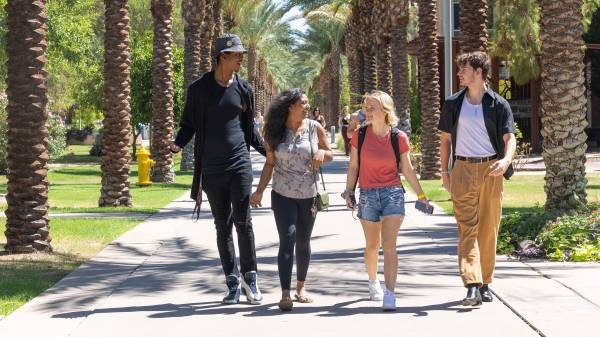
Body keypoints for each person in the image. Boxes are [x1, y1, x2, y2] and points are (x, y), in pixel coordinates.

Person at [163, 34, 266, 305]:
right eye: (237, 54)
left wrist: (272, 153)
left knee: (244, 223)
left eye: (242, 53)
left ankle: (251, 280)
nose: (241, 57)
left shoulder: (244, 88)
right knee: (223, 226)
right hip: (211, 168)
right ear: (223, 56)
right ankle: (232, 283)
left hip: (240, 165)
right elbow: (189, 124)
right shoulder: (199, 89)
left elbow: (250, 133)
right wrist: (177, 145)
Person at [438, 51, 516, 307]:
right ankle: (472, 284)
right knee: (467, 229)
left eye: (464, 69)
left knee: (489, 229)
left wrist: (505, 161)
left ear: (478, 71)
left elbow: (509, 138)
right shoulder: (452, 103)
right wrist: (445, 172)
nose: (459, 73)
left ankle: (485, 282)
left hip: (491, 169)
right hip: (462, 169)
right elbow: (446, 139)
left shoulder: (498, 104)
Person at [342, 90, 431, 311]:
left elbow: (408, 169)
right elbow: (354, 166)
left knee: (389, 244)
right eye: (366, 108)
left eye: (371, 108)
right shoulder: (359, 136)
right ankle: (374, 283)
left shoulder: (398, 137)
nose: (366, 112)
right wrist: (349, 191)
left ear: (385, 111)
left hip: (392, 193)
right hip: (368, 194)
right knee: (372, 246)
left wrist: (421, 196)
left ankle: (389, 294)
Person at [250, 89, 333, 311]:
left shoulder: (315, 128)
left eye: (308, 104)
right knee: (287, 238)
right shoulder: (274, 132)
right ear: (290, 107)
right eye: (303, 104)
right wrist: (258, 191)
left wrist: (322, 154)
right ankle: (285, 292)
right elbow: (269, 164)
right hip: (282, 194)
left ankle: (301, 288)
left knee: (303, 242)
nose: (308, 107)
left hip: (308, 195)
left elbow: (330, 153)